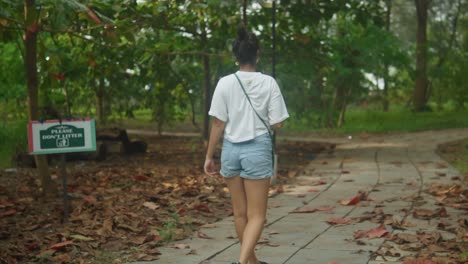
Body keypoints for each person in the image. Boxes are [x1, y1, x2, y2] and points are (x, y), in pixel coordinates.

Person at [204, 24, 289, 264]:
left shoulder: (224, 83)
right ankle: (243, 263)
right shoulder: (269, 83)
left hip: (230, 150)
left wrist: (209, 156)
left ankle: (252, 262)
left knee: (240, 213)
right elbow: (278, 123)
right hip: (257, 149)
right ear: (258, 54)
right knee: (258, 215)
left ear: (236, 56)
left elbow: (218, 123)